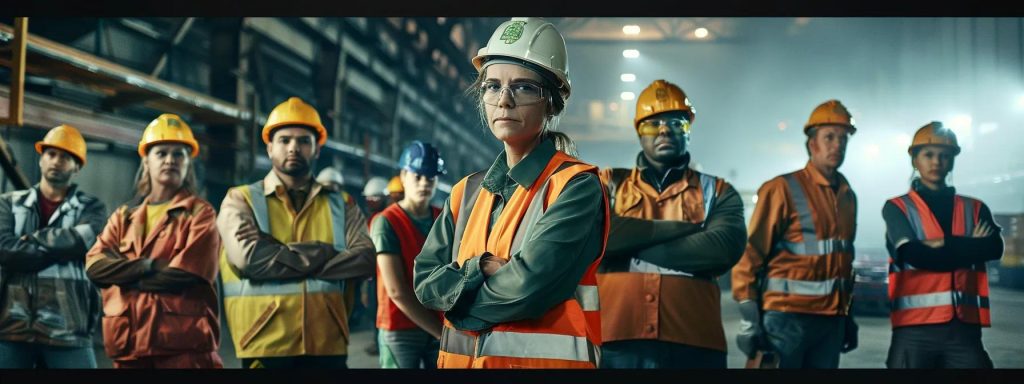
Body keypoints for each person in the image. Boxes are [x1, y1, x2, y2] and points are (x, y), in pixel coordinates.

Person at [413, 17, 609, 369]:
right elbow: (425, 282)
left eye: (523, 88)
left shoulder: (576, 187)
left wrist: (456, 304)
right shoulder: (465, 192)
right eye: (492, 86)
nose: (503, 100)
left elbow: (527, 290)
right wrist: (480, 268)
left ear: (552, 103)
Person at [596, 80, 747, 368]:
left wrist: (626, 246)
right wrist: (686, 230)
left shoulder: (718, 191)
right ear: (639, 130)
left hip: (694, 341)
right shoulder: (607, 183)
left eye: (676, 123)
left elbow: (723, 249)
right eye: (653, 123)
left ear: (689, 129)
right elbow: (592, 235)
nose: (664, 130)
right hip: (617, 338)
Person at [217, 96, 375, 369]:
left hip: (328, 341)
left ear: (316, 149)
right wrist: (325, 253)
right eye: (284, 140)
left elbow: (364, 258)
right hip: (265, 342)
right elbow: (249, 258)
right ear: (269, 148)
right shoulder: (240, 200)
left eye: (304, 141)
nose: (294, 147)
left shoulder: (342, 203)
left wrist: (279, 256)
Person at [85, 114, 222, 368]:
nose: (170, 160)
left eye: (178, 154)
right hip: (130, 350)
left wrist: (122, 276)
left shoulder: (200, 214)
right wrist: (148, 266)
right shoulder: (124, 217)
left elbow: (187, 275)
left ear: (188, 164)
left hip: (182, 350)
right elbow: (94, 267)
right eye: (161, 153)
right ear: (146, 161)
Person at [731, 100, 860, 368]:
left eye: (843, 138)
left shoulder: (847, 196)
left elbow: (844, 264)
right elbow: (751, 254)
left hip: (830, 321)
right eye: (829, 137)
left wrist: (847, 316)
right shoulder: (781, 189)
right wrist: (749, 318)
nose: (838, 144)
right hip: (785, 319)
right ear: (812, 144)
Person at [882, 121, 1002, 368]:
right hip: (914, 329)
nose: (936, 162)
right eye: (928, 155)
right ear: (914, 159)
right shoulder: (897, 208)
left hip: (964, 329)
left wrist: (943, 243)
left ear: (953, 160)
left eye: (944, 155)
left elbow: (994, 248)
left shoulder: (975, 208)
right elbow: (914, 255)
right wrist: (969, 246)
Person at [0, 125, 106, 368]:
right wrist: (61, 249)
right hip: (12, 325)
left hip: (69, 328)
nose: (56, 161)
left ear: (77, 166)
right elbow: (4, 250)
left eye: (66, 157)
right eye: (51, 154)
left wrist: (32, 240)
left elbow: (83, 241)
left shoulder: (92, 208)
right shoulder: (8, 204)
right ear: (41, 158)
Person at [372, 141, 446, 368]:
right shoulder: (386, 222)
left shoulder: (442, 218)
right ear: (403, 176)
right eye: (418, 176)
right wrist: (440, 332)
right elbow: (396, 291)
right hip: (400, 328)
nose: (424, 183)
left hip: (439, 324)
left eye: (431, 177)